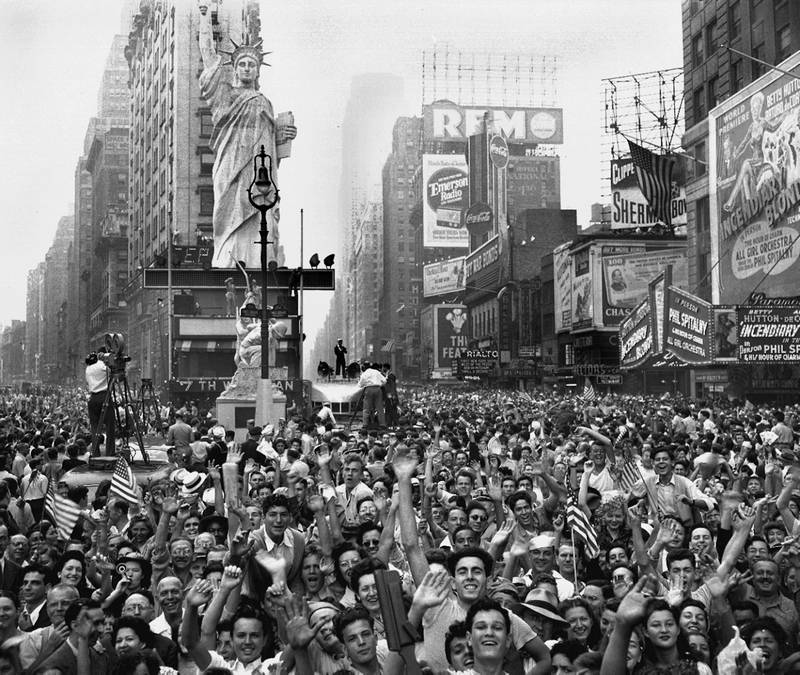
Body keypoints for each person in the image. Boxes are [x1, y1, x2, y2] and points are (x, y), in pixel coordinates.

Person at [198, 2, 297, 269]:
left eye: (251, 64)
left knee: (259, 218)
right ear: (235, 68)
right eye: (241, 64)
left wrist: (283, 133)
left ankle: (258, 262)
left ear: (257, 70)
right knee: (228, 215)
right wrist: (204, 18)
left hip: (258, 172)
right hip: (230, 167)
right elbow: (208, 58)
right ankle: (228, 259)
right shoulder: (225, 96)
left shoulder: (265, 102)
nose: (245, 69)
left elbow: (271, 145)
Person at [85, 348, 114, 456]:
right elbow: (113, 372)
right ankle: (110, 452)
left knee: (94, 427)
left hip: (92, 398)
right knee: (110, 425)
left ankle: (95, 452)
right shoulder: (103, 366)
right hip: (104, 396)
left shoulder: (88, 369)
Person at [357, 363, 387, 428]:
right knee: (380, 408)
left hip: (368, 389)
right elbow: (384, 381)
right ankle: (382, 424)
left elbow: (360, 385)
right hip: (378, 389)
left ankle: (365, 424)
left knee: (366, 408)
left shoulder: (364, 373)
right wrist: (379, 385)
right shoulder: (376, 372)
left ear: (364, 368)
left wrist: (365, 384)